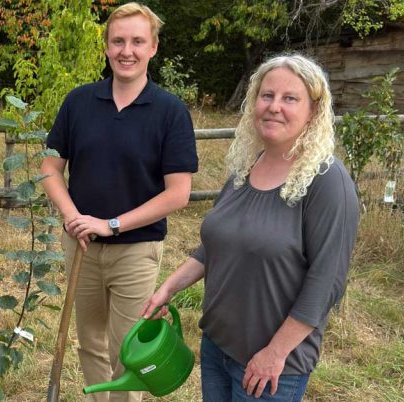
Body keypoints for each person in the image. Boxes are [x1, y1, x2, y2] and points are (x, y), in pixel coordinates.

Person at [141, 54, 360, 402]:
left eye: (290, 98)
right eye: (267, 95)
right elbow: (212, 247)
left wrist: (274, 353)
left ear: (314, 111)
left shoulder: (327, 182)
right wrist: (167, 288)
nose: (274, 107)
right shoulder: (245, 170)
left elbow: (327, 282)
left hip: (272, 367)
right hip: (217, 346)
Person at [40, 3, 198, 401]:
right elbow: (49, 168)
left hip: (136, 250)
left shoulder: (170, 112)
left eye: (137, 41)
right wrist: (74, 217)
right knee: (89, 342)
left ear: (153, 48)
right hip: (81, 245)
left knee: (126, 351)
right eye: (118, 41)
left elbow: (178, 193)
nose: (127, 50)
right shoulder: (79, 102)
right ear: (107, 48)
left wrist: (110, 224)